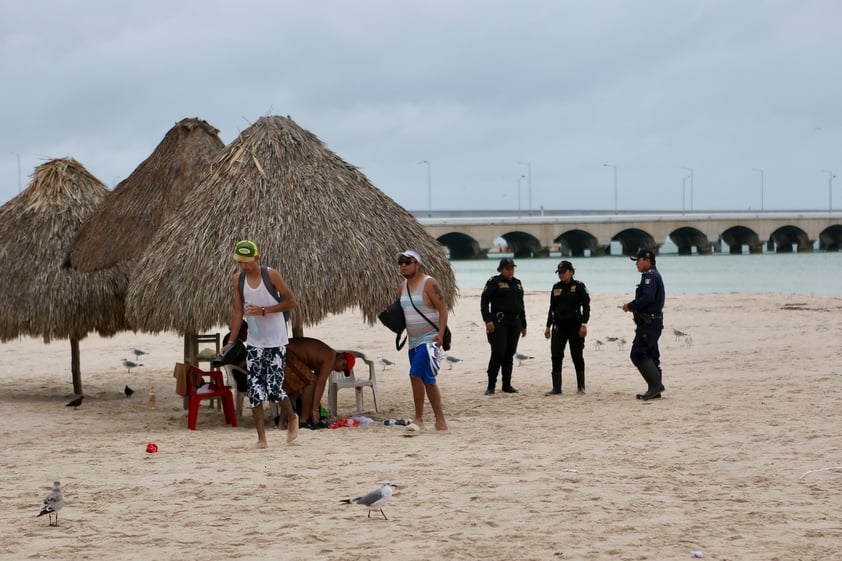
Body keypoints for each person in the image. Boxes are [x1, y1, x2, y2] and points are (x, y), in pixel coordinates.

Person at [227, 239, 299, 447]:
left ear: (257, 258)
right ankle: (262, 439)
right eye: (240, 262)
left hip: (276, 340)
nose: (243, 266)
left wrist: (265, 311)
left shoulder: (271, 275)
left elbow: (291, 302)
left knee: (275, 388)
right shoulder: (237, 280)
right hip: (255, 341)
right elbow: (238, 311)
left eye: (247, 262)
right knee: (255, 390)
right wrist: (231, 341)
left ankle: (292, 417)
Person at [396, 249, 448, 431]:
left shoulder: (429, 283)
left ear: (417, 264)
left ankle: (418, 419)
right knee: (428, 379)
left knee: (414, 374)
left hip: (429, 338)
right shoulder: (402, 287)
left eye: (408, 261)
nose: (403, 265)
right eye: (401, 262)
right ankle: (440, 421)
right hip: (412, 341)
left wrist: (440, 334)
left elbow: (442, 308)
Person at [622, 248, 666, 401]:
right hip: (652, 321)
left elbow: (647, 298)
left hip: (650, 322)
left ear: (647, 260)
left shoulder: (650, 277)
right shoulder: (652, 275)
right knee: (651, 354)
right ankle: (654, 389)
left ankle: (655, 386)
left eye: (638, 261)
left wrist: (631, 305)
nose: (637, 264)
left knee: (638, 353)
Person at [284, 337, 355, 429]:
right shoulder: (331, 356)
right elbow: (320, 384)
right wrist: (315, 409)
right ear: (340, 356)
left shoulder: (326, 359)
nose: (340, 369)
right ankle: (303, 420)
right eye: (343, 365)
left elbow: (318, 386)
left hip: (288, 353)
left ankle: (287, 420)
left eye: (343, 370)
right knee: (310, 383)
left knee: (303, 387)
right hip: (285, 352)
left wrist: (314, 409)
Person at [480, 257, 527, 395]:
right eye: (507, 268)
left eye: (512, 268)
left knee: (509, 354)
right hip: (498, 323)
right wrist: (487, 320)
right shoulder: (494, 282)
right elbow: (484, 302)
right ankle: (491, 386)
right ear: (501, 269)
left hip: (515, 323)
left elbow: (521, 305)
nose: (510, 271)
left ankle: (506, 384)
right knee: (498, 353)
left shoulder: (517, 283)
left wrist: (524, 324)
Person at [544, 260, 590, 395]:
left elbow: (586, 307)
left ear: (571, 272)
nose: (561, 275)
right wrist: (548, 326)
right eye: (559, 272)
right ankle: (556, 387)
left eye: (564, 272)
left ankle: (581, 386)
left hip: (575, 326)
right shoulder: (556, 287)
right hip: (558, 327)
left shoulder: (579, 286)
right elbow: (551, 308)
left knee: (577, 356)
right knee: (556, 356)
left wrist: (584, 324)